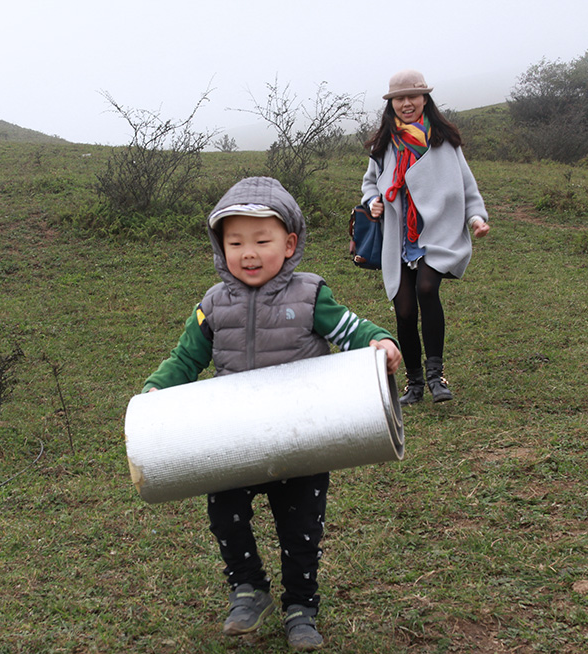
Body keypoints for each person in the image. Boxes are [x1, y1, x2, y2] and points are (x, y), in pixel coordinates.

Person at [143, 176, 401, 651]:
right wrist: (154, 391)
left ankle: (301, 607)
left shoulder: (309, 295)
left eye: (262, 240)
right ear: (220, 248)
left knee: (300, 528)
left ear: (290, 243)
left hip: (302, 439)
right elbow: (184, 360)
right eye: (236, 241)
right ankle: (249, 589)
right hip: (234, 438)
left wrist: (381, 341)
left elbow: (352, 329)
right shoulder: (212, 306)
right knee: (226, 516)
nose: (249, 253)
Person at [360, 69, 490, 405]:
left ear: (424, 99)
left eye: (412, 97)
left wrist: (476, 217)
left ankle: (436, 376)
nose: (406, 104)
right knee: (403, 308)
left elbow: (466, 185)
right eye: (399, 99)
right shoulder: (384, 145)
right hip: (399, 237)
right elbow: (370, 183)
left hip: (436, 234)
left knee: (427, 288)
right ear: (391, 104)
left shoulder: (443, 141)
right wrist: (372, 201)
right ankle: (413, 383)